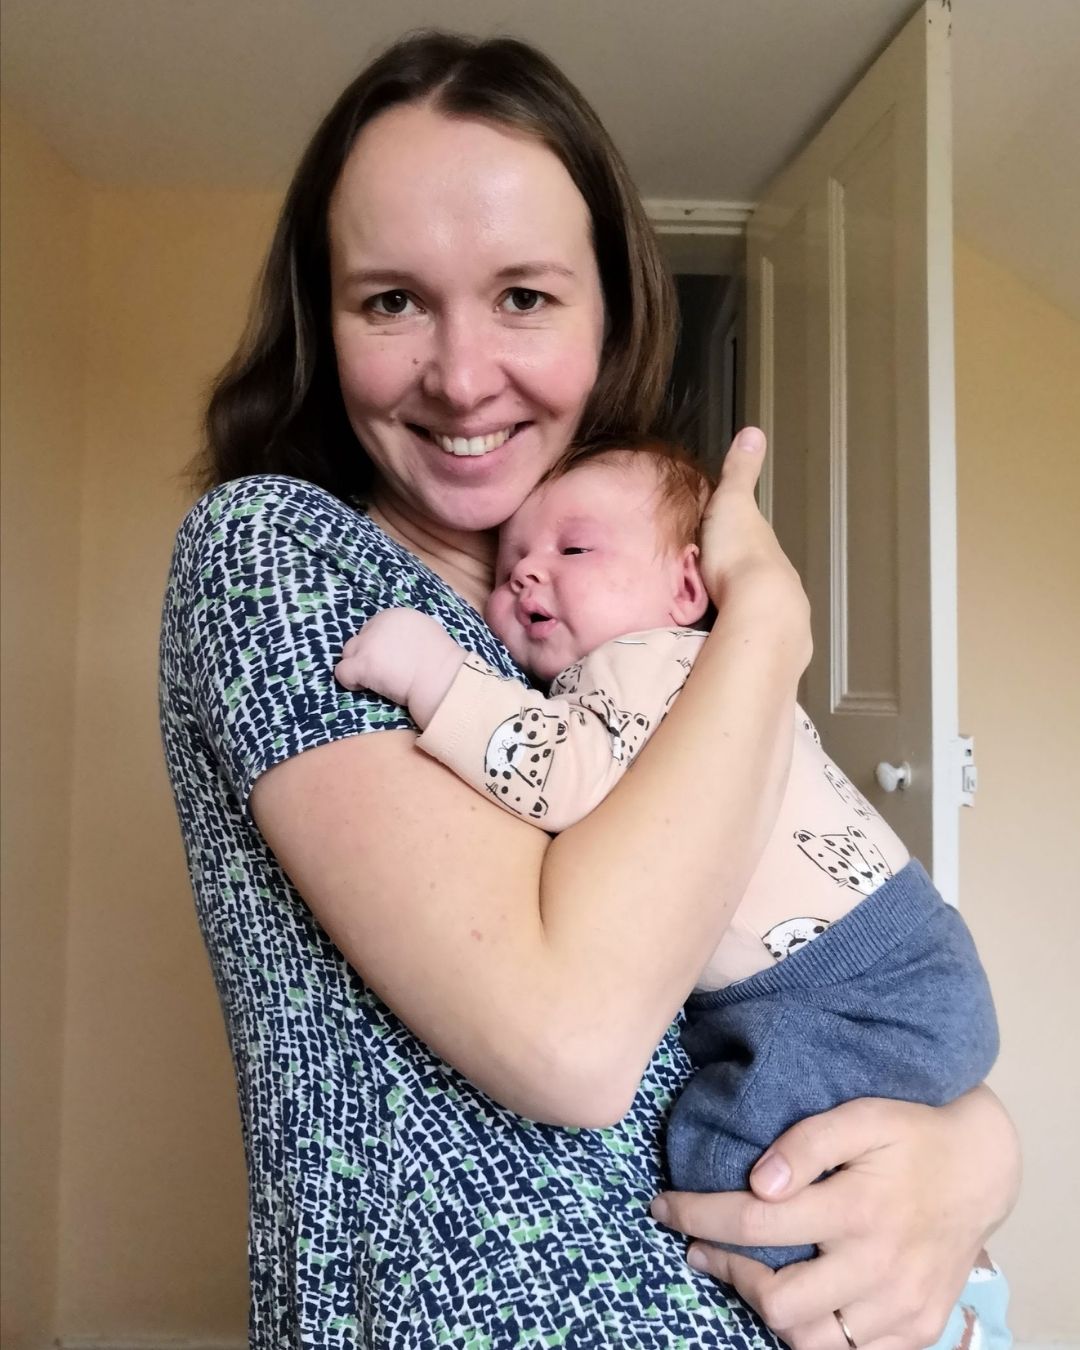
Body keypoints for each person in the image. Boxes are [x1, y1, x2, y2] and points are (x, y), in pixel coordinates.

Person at [161, 30, 1019, 1350]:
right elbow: (576, 1039)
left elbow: (753, 965)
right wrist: (771, 624)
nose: (460, 374)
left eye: (523, 296)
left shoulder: (580, 637)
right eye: (390, 299)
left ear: (611, 309)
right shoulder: (280, 554)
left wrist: (975, 1147)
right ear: (321, 323)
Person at [334, 438, 1011, 1343]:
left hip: (841, 985)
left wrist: (433, 678)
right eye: (511, 566)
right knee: (842, 1161)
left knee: (725, 1161)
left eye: (574, 552)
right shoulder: (713, 677)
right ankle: (969, 1305)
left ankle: (910, 1327)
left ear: (688, 589)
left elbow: (561, 774)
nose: (530, 576)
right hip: (897, 960)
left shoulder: (648, 666)